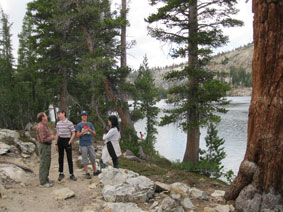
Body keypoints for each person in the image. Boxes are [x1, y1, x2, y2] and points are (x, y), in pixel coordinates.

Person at [75, 110, 100, 179]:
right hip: (83, 144)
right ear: (81, 117)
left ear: (87, 116)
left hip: (90, 143)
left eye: (85, 115)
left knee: (93, 157)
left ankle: (95, 170)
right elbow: (77, 135)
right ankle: (87, 172)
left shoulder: (90, 124)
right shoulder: (79, 125)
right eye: (83, 115)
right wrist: (83, 131)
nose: (84, 117)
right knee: (85, 158)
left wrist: (90, 130)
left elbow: (94, 133)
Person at [55, 110, 77, 181]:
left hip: (67, 140)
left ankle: (71, 174)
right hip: (60, 140)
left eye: (59, 114)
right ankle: (61, 173)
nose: (59, 116)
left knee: (69, 158)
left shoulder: (69, 123)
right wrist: (56, 143)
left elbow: (73, 133)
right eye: (58, 114)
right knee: (60, 157)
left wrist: (70, 141)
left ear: (63, 113)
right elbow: (57, 133)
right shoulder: (58, 123)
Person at [36, 112, 56, 187]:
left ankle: (46, 178)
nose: (47, 117)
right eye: (45, 115)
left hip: (47, 146)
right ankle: (43, 182)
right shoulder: (41, 126)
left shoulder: (45, 125)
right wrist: (52, 137)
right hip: (44, 146)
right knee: (44, 163)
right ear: (42, 117)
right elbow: (43, 139)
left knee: (47, 163)